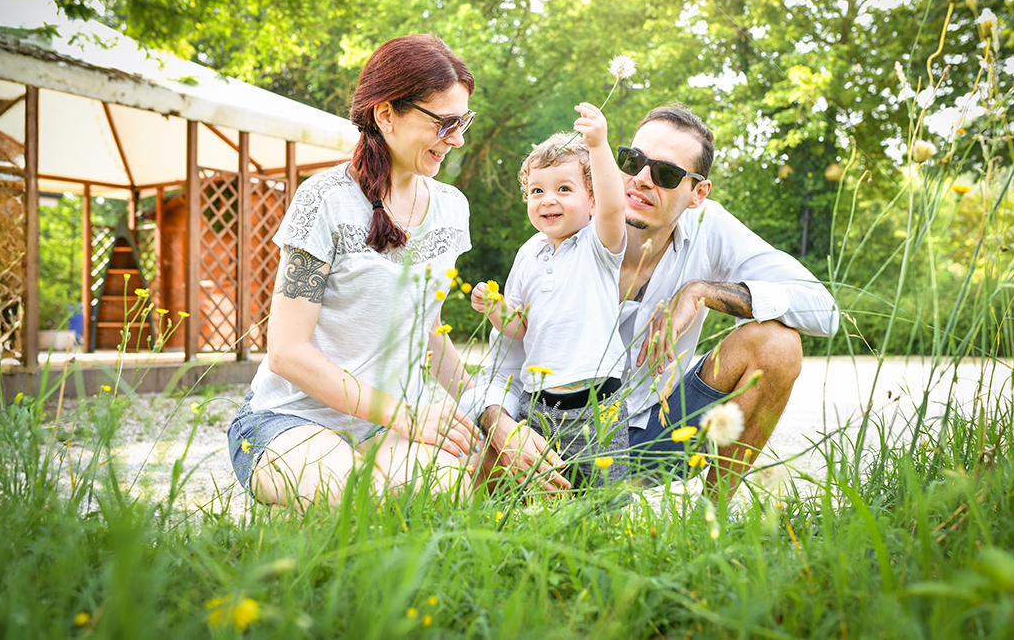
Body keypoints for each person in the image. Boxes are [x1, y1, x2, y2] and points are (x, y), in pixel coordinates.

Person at [469, 103, 838, 498]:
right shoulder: (550, 246)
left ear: (697, 193)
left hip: (661, 430)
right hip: (560, 432)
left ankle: (711, 524)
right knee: (486, 453)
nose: (641, 179)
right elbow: (502, 366)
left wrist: (701, 293)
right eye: (632, 161)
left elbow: (825, 311)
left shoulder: (711, 227)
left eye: (666, 174)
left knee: (778, 344)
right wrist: (501, 426)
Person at [227, 34, 482, 508]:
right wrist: (406, 414)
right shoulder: (324, 199)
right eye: (444, 122)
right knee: (361, 503)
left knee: (442, 496)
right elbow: (287, 352)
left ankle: (300, 516)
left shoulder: (452, 209)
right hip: (289, 418)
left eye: (462, 121)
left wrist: (488, 412)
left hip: (386, 425)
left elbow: (427, 329)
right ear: (386, 114)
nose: (458, 138)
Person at [469, 103, 628, 488]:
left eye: (564, 189)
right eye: (536, 190)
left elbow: (613, 205)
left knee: (605, 496)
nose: (547, 199)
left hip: (598, 403)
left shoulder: (598, 244)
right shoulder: (528, 254)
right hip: (538, 402)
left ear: (590, 201)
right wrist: (495, 311)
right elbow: (519, 329)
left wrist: (599, 146)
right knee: (543, 490)